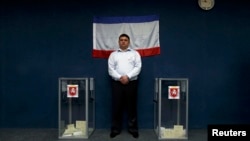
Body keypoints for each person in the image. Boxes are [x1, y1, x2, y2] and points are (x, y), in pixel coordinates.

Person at [108, 33, 142, 138]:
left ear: (129, 42)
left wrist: (127, 77)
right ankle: (115, 129)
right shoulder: (113, 55)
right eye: (121, 40)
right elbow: (110, 69)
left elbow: (138, 67)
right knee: (117, 107)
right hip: (117, 84)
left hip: (131, 83)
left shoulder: (135, 54)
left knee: (131, 107)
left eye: (125, 40)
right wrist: (120, 78)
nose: (123, 41)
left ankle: (133, 129)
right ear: (118, 42)